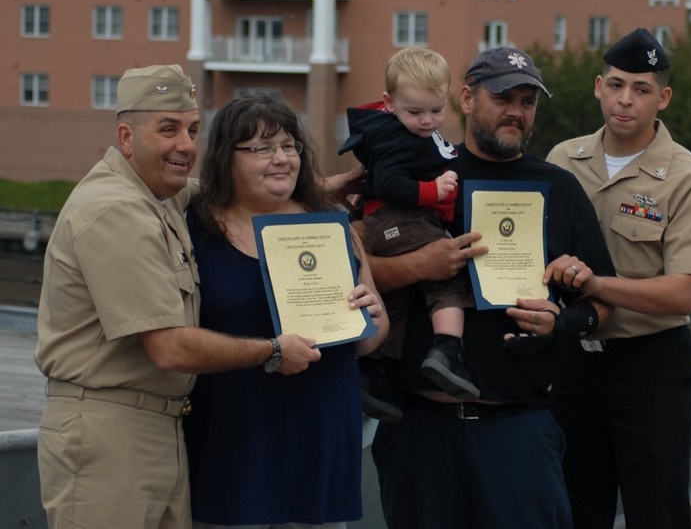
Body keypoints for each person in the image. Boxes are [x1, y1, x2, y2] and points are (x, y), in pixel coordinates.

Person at [35, 64, 323, 529]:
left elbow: (233, 194)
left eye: (192, 129)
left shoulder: (159, 195)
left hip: (159, 430)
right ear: (127, 137)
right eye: (168, 130)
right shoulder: (116, 210)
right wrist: (273, 349)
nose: (186, 145)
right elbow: (169, 347)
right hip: (109, 434)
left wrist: (324, 191)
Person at [366, 46, 617, 529]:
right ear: (466, 98)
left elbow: (603, 302)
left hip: (519, 430)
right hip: (420, 429)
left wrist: (561, 323)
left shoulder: (559, 188)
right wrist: (420, 264)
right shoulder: (418, 177)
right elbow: (358, 271)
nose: (516, 112)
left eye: (527, 101)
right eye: (503, 97)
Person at [183, 94, 388, 528]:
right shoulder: (194, 229)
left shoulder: (331, 222)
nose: (281, 159)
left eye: (289, 146)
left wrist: (371, 314)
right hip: (234, 438)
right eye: (261, 148)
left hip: (320, 431)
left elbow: (368, 342)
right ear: (226, 158)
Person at [546, 28, 691, 529]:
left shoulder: (690, 176)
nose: (626, 100)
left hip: (651, 368)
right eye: (617, 85)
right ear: (598, 86)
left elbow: (683, 293)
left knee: (656, 510)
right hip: (571, 364)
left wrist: (597, 285)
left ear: (662, 98)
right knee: (574, 509)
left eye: (641, 89)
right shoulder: (562, 161)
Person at [338, 46, 478, 411]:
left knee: (395, 300)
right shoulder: (397, 139)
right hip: (402, 220)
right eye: (415, 112)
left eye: (436, 110)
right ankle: (448, 349)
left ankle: (375, 374)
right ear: (388, 102)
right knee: (448, 275)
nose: (427, 121)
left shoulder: (402, 133)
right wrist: (434, 190)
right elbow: (389, 183)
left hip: (385, 225)